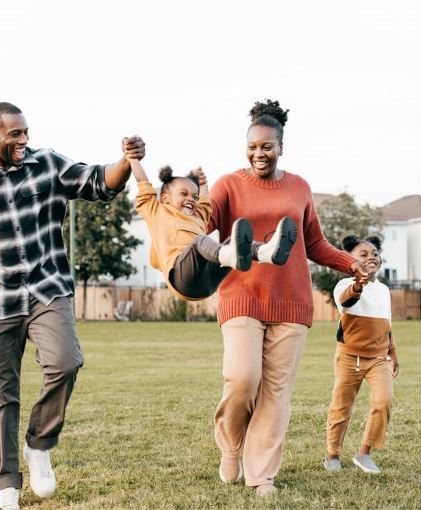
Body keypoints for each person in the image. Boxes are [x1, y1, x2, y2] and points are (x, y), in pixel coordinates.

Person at [0, 102, 144, 510]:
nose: (24, 141)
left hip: (46, 287)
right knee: (0, 392)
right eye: (15, 135)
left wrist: (125, 162)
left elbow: (97, 182)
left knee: (66, 362)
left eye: (26, 133)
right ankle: (6, 482)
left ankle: (39, 442)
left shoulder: (47, 164)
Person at [208, 99, 370, 496]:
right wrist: (183, 201)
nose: (259, 153)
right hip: (241, 295)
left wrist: (352, 264)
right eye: (252, 146)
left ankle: (262, 474)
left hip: (291, 302)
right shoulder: (228, 185)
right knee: (243, 379)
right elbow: (202, 226)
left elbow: (314, 243)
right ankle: (231, 445)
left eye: (267, 146)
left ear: (281, 147)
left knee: (276, 392)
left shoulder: (299, 187)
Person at [128, 155, 298, 301]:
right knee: (201, 241)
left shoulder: (198, 219)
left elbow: (205, 203)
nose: (191, 199)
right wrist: (133, 159)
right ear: (165, 198)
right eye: (183, 194)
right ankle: (228, 254)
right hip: (181, 279)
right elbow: (143, 184)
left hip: (208, 283)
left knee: (232, 242)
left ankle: (267, 252)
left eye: (194, 196)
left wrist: (203, 183)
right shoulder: (157, 211)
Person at [324, 235, 399, 475]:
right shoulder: (343, 286)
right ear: (351, 260)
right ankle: (332, 454)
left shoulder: (384, 290)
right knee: (341, 408)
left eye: (374, 253)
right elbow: (348, 300)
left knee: (384, 401)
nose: (371, 258)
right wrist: (359, 283)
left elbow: (386, 323)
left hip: (378, 358)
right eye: (363, 254)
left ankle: (363, 453)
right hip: (348, 357)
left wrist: (393, 352)